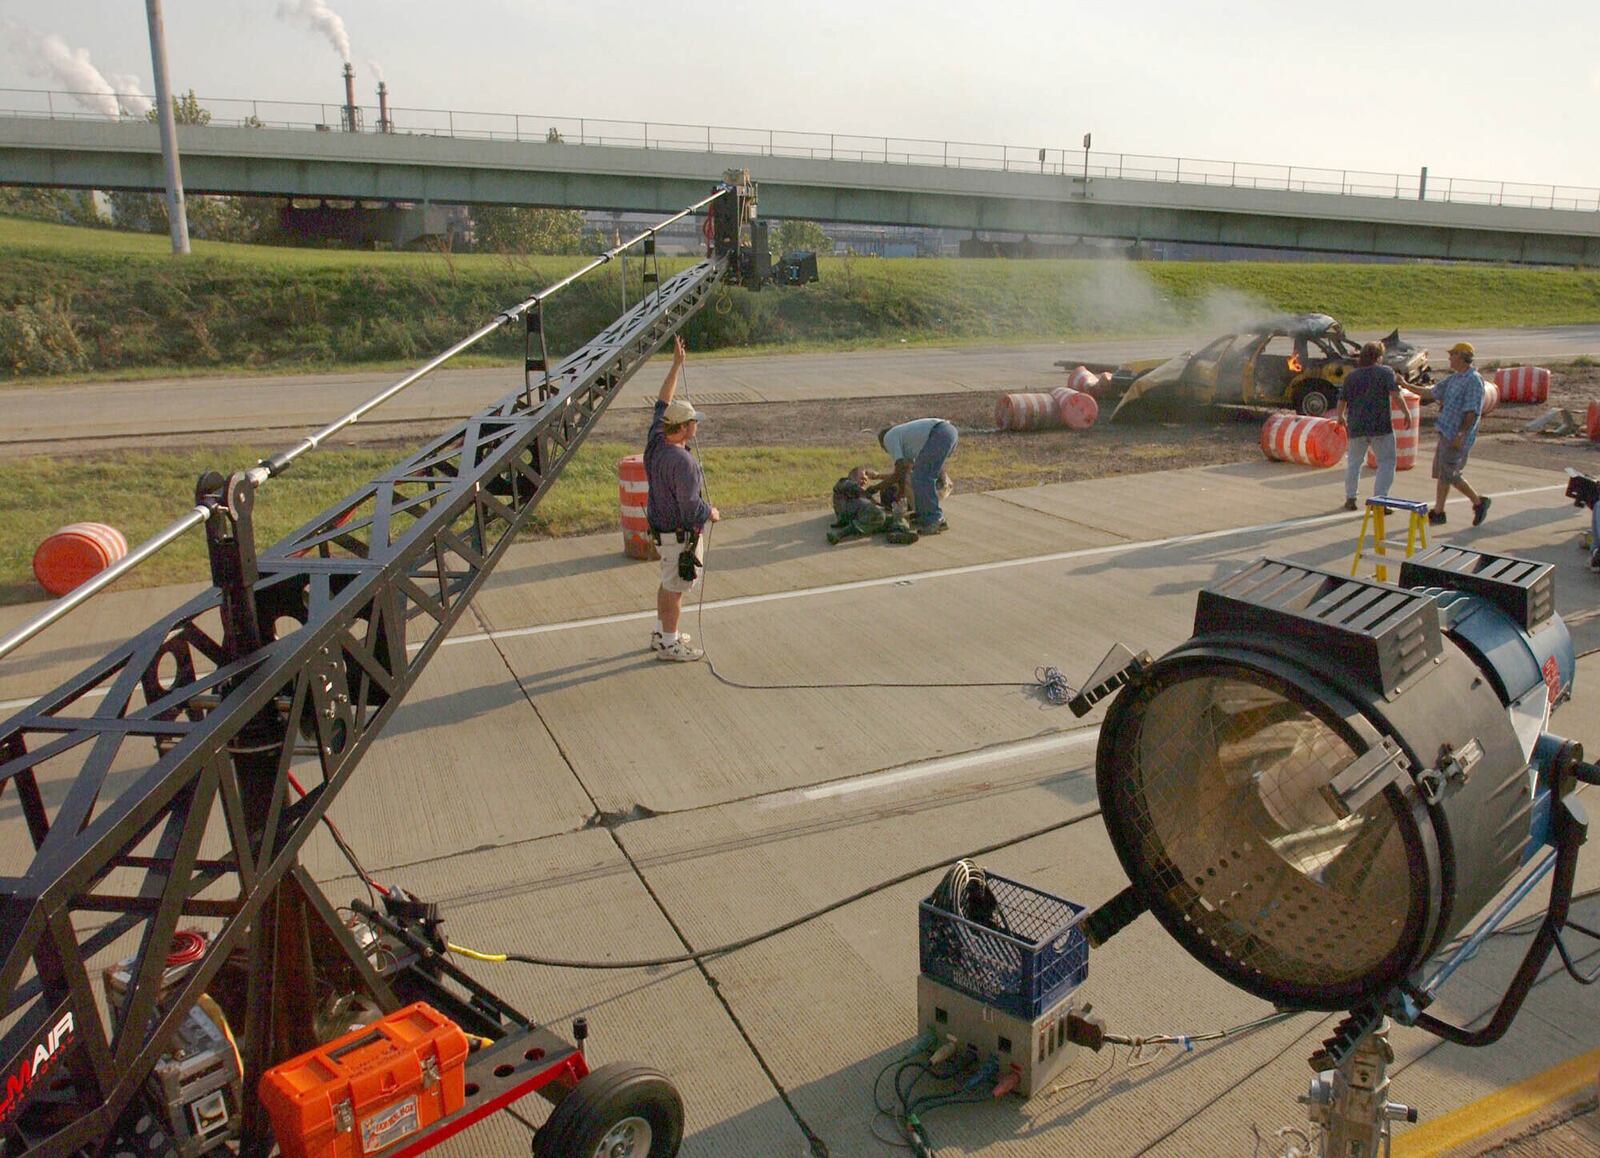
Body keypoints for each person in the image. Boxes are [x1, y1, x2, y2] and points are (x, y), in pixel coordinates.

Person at [644, 336, 719, 661]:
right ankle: (670, 644)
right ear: (684, 428)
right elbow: (691, 506)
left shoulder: (656, 440)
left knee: (667, 583)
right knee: (675, 589)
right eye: (693, 422)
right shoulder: (684, 462)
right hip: (678, 535)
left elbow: (662, 401)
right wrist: (710, 511)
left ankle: (663, 633)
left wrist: (676, 365)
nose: (695, 425)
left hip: (660, 531)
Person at [1333, 340, 1408, 511]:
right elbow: (1396, 395)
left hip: (1356, 425)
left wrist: (1340, 416)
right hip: (1380, 425)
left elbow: (1342, 399)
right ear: (1378, 357)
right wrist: (1406, 412)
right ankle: (1380, 500)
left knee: (1354, 463)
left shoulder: (1351, 376)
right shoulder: (1386, 372)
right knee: (1387, 462)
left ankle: (1350, 497)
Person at [1424, 341, 1490, 527]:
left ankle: (1473, 503)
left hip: (1456, 435)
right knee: (1444, 473)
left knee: (1450, 473)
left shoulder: (1473, 380)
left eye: (1452, 354)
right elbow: (1432, 393)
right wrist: (1404, 384)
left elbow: (1472, 412)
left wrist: (1460, 435)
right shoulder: (1454, 378)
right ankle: (1443, 510)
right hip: (1446, 431)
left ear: (1462, 357)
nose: (1449, 357)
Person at [866, 418, 958, 534]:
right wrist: (901, 494)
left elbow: (899, 472)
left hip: (940, 433)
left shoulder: (889, 437)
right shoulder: (906, 441)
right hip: (946, 432)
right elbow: (903, 472)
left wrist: (874, 489)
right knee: (918, 476)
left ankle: (936, 519)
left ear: (882, 443)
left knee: (922, 477)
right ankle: (924, 515)